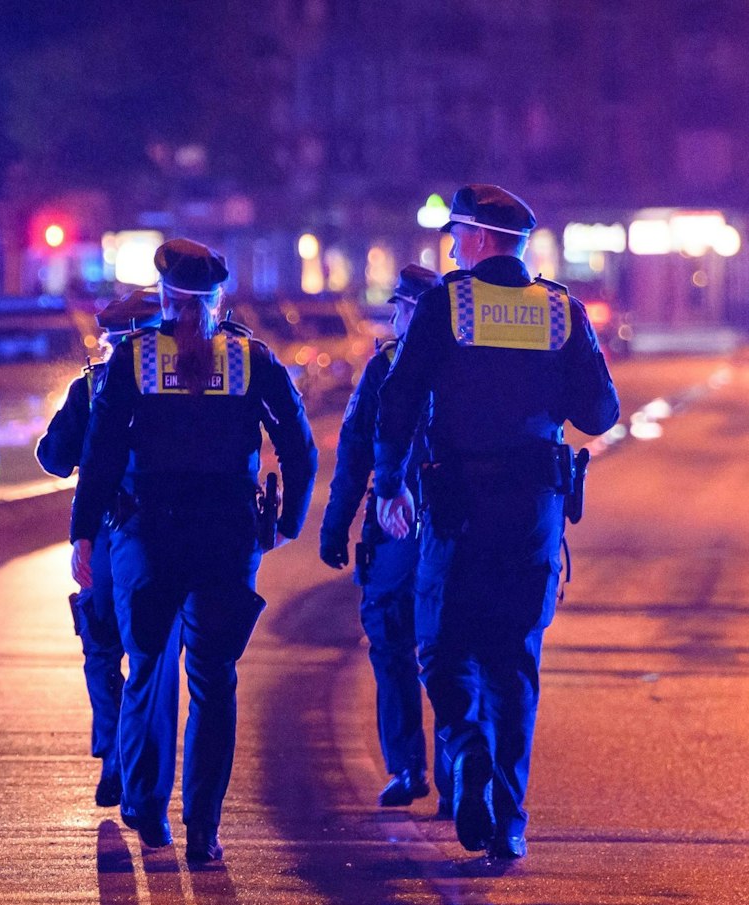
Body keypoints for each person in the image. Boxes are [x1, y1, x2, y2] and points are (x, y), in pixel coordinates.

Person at [374, 185, 619, 863]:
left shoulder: (445, 305)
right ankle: (510, 822)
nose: (453, 249)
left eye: (458, 237)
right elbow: (600, 413)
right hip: (533, 513)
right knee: (514, 665)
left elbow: (399, 400)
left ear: (481, 239)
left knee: (439, 647)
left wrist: (390, 483)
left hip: (457, 508)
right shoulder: (561, 311)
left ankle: (466, 746)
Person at [71, 239, 317, 865]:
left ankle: (149, 809)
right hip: (227, 540)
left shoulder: (133, 359)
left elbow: (101, 452)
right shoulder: (251, 359)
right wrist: (287, 521)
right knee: (213, 680)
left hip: (149, 538)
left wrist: (84, 533)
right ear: (217, 301)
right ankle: (204, 828)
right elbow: (299, 445)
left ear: (164, 297)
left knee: (148, 669)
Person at [320, 265, 448, 812]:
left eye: (398, 308)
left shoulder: (387, 367)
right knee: (449, 650)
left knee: (393, 642)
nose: (392, 318)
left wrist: (335, 527)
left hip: (402, 526)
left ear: (412, 312)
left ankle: (408, 766)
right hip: (457, 524)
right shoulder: (466, 362)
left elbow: (355, 455)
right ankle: (457, 779)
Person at [37, 289, 165, 809]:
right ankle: (138, 768)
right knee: (153, 658)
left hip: (110, 530)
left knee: (102, 644)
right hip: (171, 531)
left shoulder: (91, 387)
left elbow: (52, 456)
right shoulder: (182, 381)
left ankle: (114, 753)